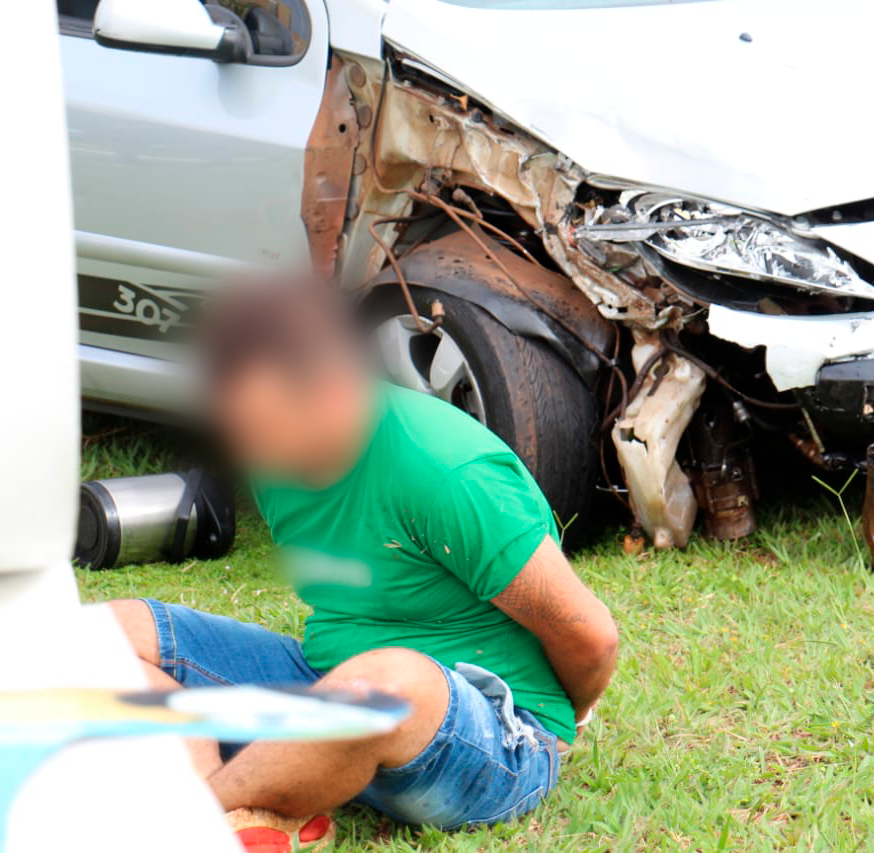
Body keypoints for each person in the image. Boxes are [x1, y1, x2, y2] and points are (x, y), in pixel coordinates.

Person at [104, 281, 619, 851]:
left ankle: (195, 813)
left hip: (492, 737)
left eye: (262, 429)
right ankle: (250, 811)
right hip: (327, 690)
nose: (247, 453)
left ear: (332, 393)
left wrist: (548, 730)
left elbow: (590, 638)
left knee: (384, 682)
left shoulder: (447, 471)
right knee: (105, 634)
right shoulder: (275, 461)